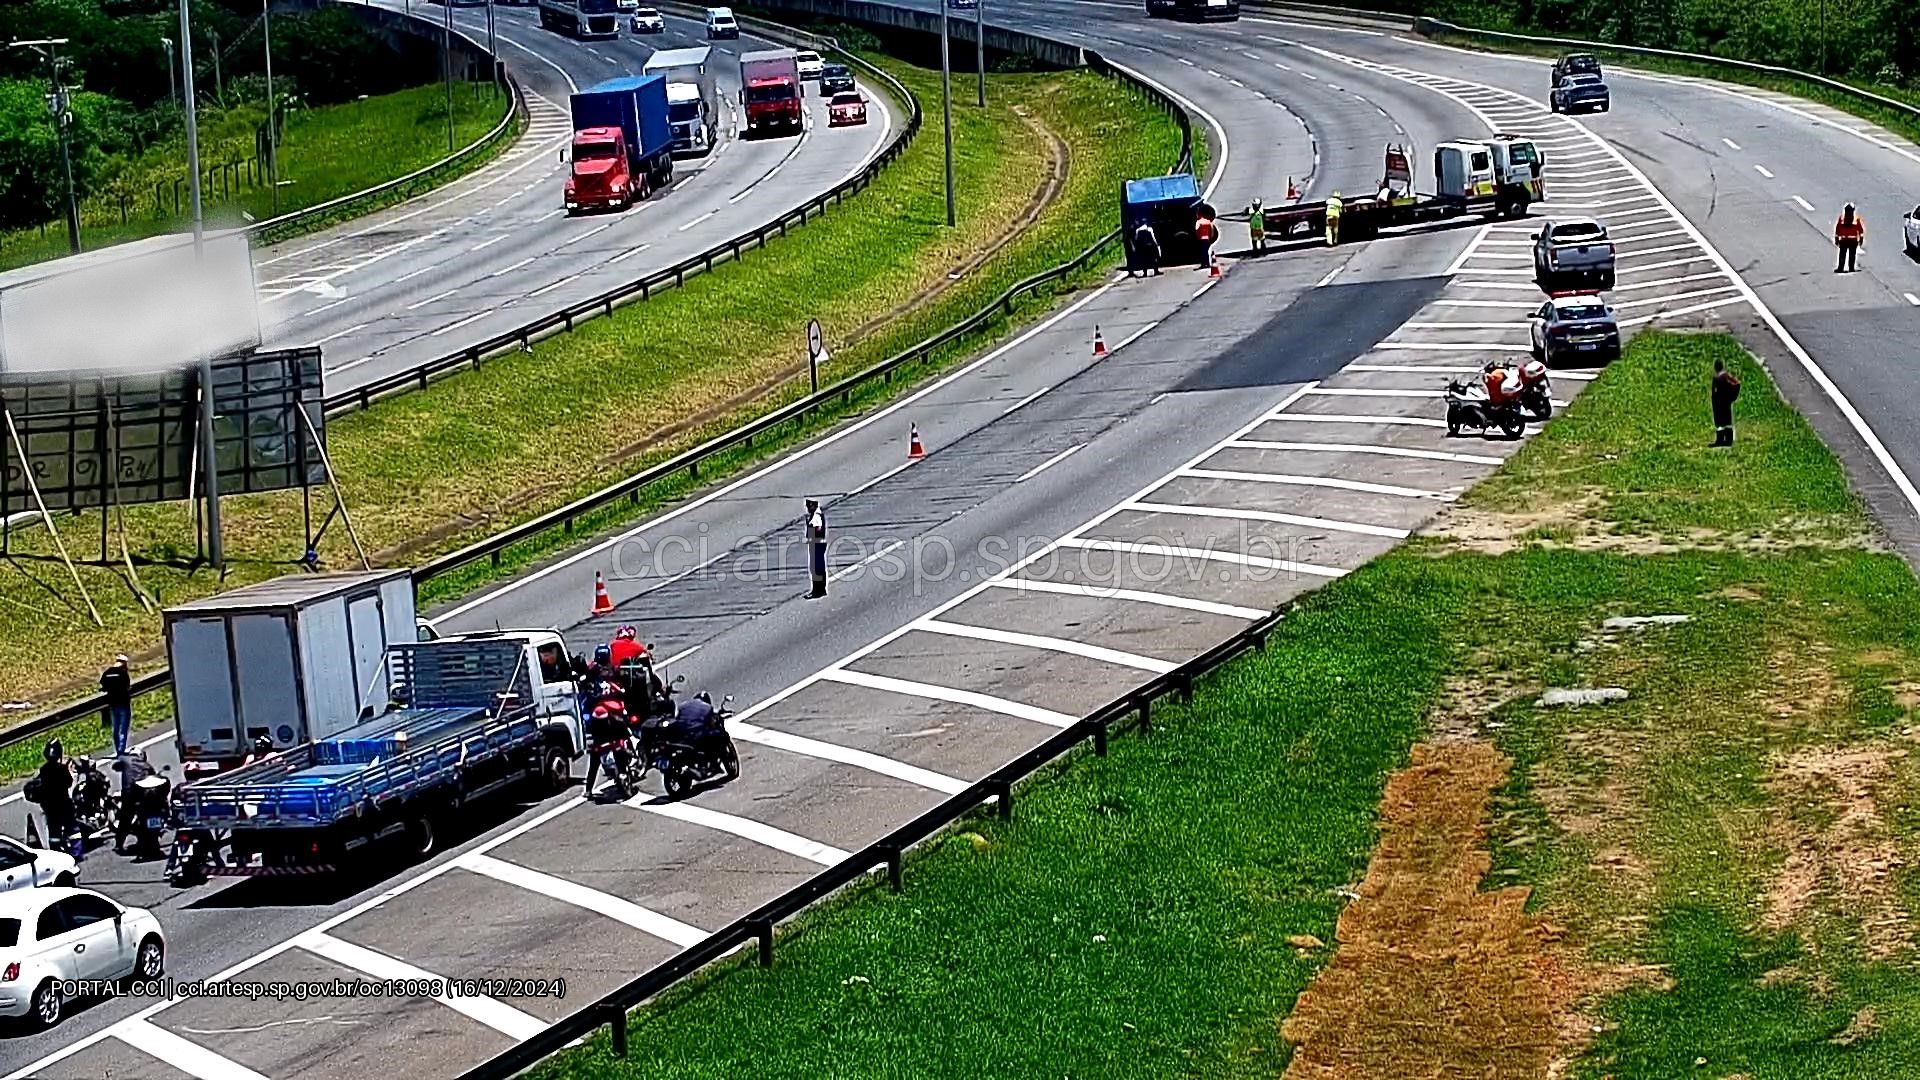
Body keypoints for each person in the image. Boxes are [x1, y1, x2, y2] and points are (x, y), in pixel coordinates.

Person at [34, 742, 75, 852]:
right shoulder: (62, 768)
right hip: (64, 804)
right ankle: (76, 851)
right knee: (72, 829)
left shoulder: (43, 770)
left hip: (50, 807)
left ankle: (57, 853)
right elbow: (69, 782)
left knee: (54, 833)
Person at [100, 654, 133, 756]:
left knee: (116, 728)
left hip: (113, 704)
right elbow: (128, 686)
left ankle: (118, 750)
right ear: (123, 663)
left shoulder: (107, 673)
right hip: (123, 704)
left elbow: (102, 686)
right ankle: (121, 751)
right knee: (123, 729)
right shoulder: (123, 674)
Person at [1711, 358, 1742, 446]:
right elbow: (1737, 384)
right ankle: (1725, 439)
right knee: (1724, 422)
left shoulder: (1721, 377)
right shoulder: (1722, 377)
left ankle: (1724, 440)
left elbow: (1736, 384)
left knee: (1722, 422)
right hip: (1722, 404)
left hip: (1721, 404)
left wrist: (1731, 397)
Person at [805, 498, 828, 599]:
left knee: (816, 568)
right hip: (816, 543)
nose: (807, 509)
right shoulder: (815, 515)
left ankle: (817, 590)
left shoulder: (817, 516)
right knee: (817, 567)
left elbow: (817, 531)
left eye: (808, 507)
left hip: (817, 544)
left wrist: (810, 534)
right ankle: (819, 589)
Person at [1834, 203, 1865, 272]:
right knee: (1851, 255)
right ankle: (1850, 268)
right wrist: (1861, 239)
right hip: (1851, 240)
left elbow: (1837, 229)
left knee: (1843, 255)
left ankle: (1841, 268)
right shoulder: (1856, 219)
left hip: (1845, 240)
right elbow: (1860, 230)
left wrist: (1836, 239)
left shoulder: (1842, 218)